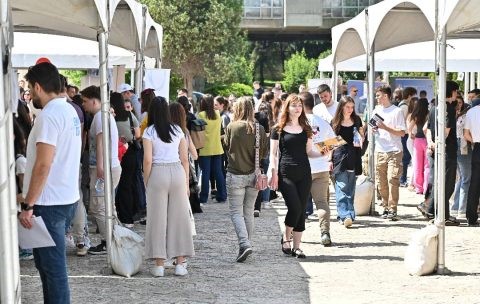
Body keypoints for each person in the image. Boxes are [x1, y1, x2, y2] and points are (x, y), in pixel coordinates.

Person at [19, 62, 82, 303]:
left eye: (30, 90)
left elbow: (43, 165)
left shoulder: (50, 116)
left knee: (53, 271)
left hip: (49, 203)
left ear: (38, 86)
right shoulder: (69, 111)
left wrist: (28, 204)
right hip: (63, 199)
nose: (30, 96)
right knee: (48, 268)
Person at [269, 94, 327, 259]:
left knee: (301, 210)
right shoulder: (278, 129)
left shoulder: (306, 128)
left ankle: (297, 247)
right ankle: (286, 237)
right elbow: (273, 154)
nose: (297, 108)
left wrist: (323, 152)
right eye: (294, 105)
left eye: (299, 105)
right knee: (294, 207)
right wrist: (272, 170)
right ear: (287, 107)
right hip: (286, 173)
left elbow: (310, 151)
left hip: (304, 173)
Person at [143, 96, 195, 277]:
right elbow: (184, 159)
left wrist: (146, 181)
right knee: (179, 219)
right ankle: (180, 263)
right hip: (177, 172)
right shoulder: (178, 130)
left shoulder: (149, 132)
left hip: (158, 173)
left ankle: (159, 265)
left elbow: (148, 160)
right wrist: (187, 182)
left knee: (157, 219)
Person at [224, 96, 267, 262]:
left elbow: (227, 146)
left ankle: (244, 243)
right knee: (248, 211)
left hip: (235, 173)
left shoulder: (231, 127)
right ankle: (247, 243)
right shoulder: (259, 129)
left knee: (236, 212)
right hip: (254, 175)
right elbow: (263, 152)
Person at [80, 85, 123, 254]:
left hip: (103, 168)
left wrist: (99, 167)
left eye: (84, 101)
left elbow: (100, 143)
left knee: (99, 206)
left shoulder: (100, 117)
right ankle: (114, 238)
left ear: (94, 100)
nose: (83, 105)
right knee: (107, 206)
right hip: (109, 166)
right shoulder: (104, 116)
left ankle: (109, 241)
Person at [301, 92, 335, 243]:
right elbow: (334, 142)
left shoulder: (298, 123)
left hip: (302, 167)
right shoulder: (322, 121)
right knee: (321, 202)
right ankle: (325, 232)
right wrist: (320, 151)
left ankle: (295, 233)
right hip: (321, 167)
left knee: (299, 202)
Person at [425, 81, 460, 226]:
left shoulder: (434, 107)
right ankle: (438, 213)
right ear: (451, 92)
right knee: (448, 184)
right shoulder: (449, 108)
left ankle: (437, 211)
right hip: (447, 150)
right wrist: (439, 142)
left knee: (441, 182)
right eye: (456, 92)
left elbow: (426, 128)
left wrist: (431, 143)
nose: (457, 95)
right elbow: (446, 130)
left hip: (436, 149)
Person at [372, 86, 406, 221]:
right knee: (381, 181)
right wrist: (375, 129)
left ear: (386, 96)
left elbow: (402, 132)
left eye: (378, 95)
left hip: (394, 150)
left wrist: (385, 127)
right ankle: (385, 206)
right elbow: (373, 127)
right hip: (379, 149)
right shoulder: (376, 110)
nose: (377, 98)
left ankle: (393, 208)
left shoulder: (397, 112)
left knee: (393, 179)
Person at [110, 92, 143, 228]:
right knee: (127, 185)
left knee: (115, 187)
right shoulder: (129, 115)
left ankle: (116, 215)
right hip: (131, 152)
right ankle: (128, 217)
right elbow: (138, 134)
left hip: (116, 153)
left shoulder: (110, 118)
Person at [331, 96, 364, 228]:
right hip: (339, 156)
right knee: (342, 185)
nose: (350, 110)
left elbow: (361, 136)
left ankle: (348, 214)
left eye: (352, 107)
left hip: (353, 156)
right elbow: (331, 142)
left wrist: (362, 136)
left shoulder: (356, 119)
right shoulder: (334, 122)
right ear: (342, 107)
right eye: (347, 107)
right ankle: (345, 215)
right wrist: (329, 159)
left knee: (350, 187)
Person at [197, 94, 227, 204]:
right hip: (217, 147)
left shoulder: (201, 115)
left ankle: (204, 196)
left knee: (205, 173)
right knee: (218, 172)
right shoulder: (218, 114)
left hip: (205, 148)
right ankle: (222, 195)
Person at [452, 95, 471, 219]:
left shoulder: (461, 115)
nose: (459, 105)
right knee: (466, 179)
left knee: (461, 178)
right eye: (457, 103)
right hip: (461, 147)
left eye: (460, 102)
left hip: (458, 146)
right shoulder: (460, 117)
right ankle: (461, 209)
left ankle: (455, 207)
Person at [463, 93, 480, 226]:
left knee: (474, 183)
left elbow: (466, 134)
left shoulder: (471, 112)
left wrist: (475, 141)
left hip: (477, 148)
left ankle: (471, 215)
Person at [408, 98, 430, 195]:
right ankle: (426, 188)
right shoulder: (429, 114)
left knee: (417, 165)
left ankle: (419, 188)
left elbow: (409, 128)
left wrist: (410, 134)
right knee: (427, 165)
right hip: (427, 141)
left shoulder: (416, 115)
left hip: (417, 140)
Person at [398, 87, 417, 187]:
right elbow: (403, 121)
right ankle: (402, 179)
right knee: (406, 158)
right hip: (405, 134)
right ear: (409, 95)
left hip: (405, 134)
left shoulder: (402, 105)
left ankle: (403, 178)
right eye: (413, 95)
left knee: (406, 157)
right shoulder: (404, 107)